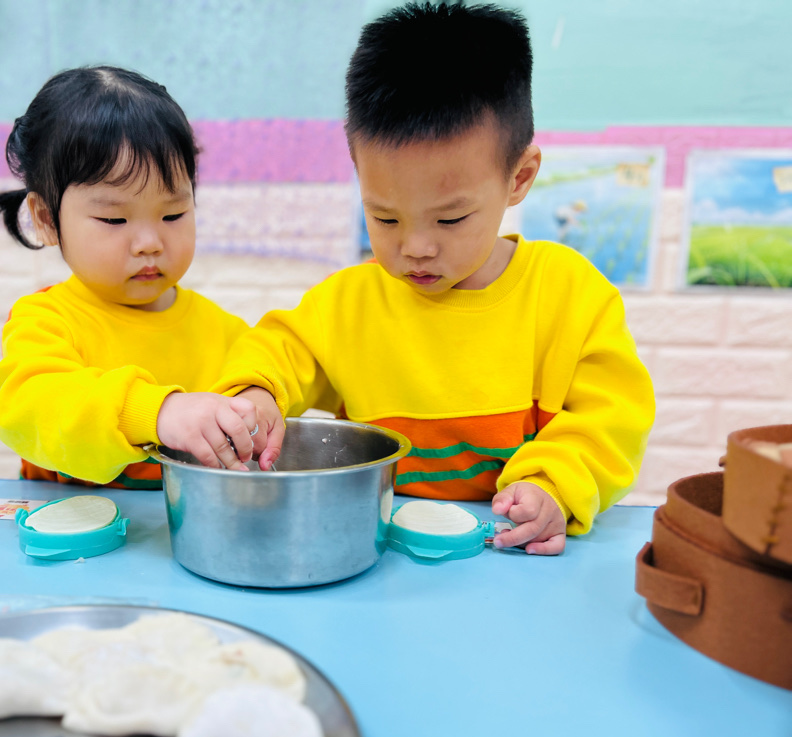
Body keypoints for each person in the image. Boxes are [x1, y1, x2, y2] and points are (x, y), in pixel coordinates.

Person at [185, 3, 655, 554]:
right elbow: (277, 349)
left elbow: (613, 420)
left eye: (450, 219)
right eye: (385, 218)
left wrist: (555, 486)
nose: (416, 248)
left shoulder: (570, 296)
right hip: (378, 551)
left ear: (519, 177)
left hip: (508, 552)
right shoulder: (350, 302)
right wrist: (256, 395)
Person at [0, 66, 263, 488]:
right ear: (46, 219)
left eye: (173, 214)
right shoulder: (45, 321)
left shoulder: (227, 334)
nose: (149, 243)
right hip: (70, 523)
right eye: (114, 219)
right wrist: (154, 412)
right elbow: (29, 409)